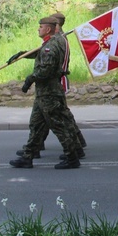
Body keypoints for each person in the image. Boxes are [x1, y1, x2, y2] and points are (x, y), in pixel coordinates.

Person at [10, 16, 82, 169]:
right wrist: (22, 54)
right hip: (44, 94)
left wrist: (30, 79)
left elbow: (46, 69)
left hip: (49, 93)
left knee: (58, 125)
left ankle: (72, 157)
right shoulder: (52, 42)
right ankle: (28, 156)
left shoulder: (52, 44)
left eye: (40, 27)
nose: (38, 29)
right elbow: (40, 53)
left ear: (48, 29)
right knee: (36, 125)